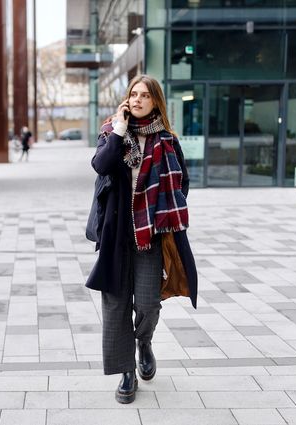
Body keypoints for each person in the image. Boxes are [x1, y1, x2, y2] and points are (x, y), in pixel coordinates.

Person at [85, 74, 198, 404]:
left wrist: (163, 214)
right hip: (117, 236)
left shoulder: (167, 140)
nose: (137, 100)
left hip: (150, 236)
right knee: (117, 306)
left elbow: (182, 183)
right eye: (133, 94)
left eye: (144, 96)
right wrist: (119, 130)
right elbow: (101, 165)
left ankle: (144, 342)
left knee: (148, 304)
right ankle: (127, 372)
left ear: (155, 102)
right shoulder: (111, 132)